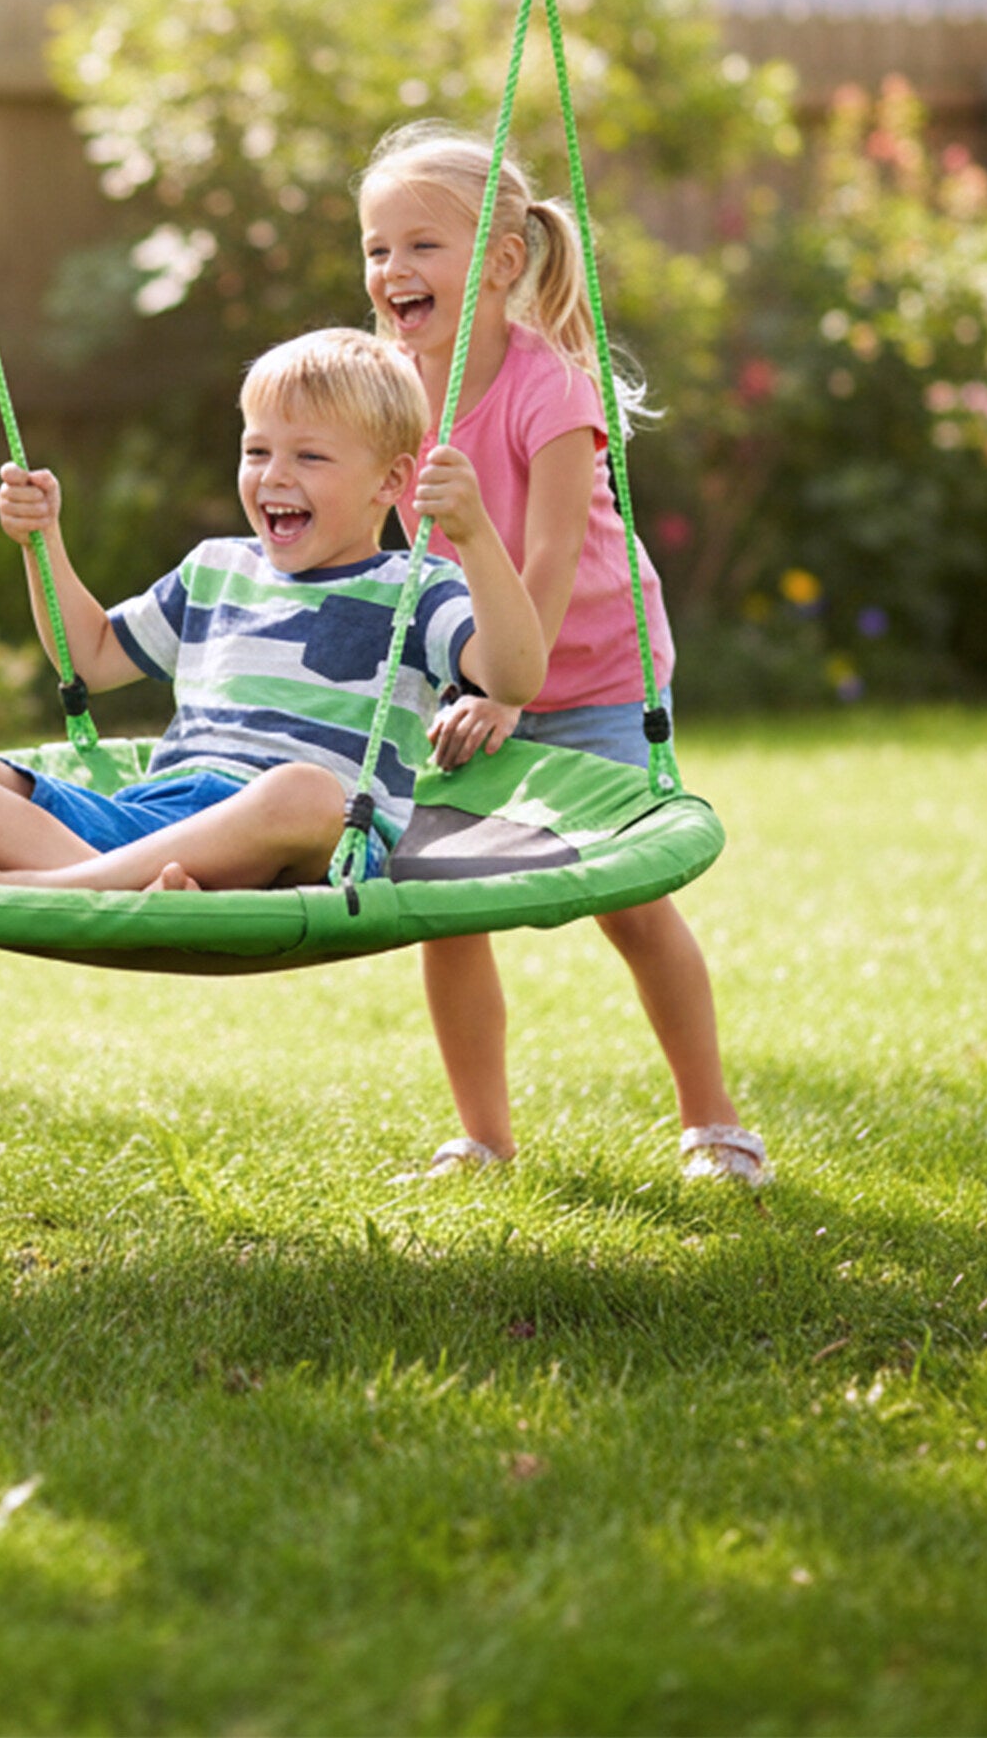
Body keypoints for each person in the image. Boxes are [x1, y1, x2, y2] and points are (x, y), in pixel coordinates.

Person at [358, 122, 771, 1187]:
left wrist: (504, 689)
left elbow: (542, 564)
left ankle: (713, 1123)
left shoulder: (551, 387)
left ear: (498, 262)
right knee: (442, 902)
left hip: (590, 668)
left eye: (420, 246)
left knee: (626, 899)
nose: (391, 271)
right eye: (374, 248)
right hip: (475, 668)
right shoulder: (392, 388)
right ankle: (483, 1140)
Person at [0, 327, 550, 895]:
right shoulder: (216, 568)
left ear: (391, 482)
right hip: (155, 832)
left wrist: (473, 535)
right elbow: (89, 658)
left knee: (307, 793)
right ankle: (99, 883)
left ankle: (27, 886)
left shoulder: (417, 586)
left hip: (303, 836)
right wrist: (43, 545)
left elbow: (514, 677)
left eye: (310, 456)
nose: (274, 475)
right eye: (257, 451)